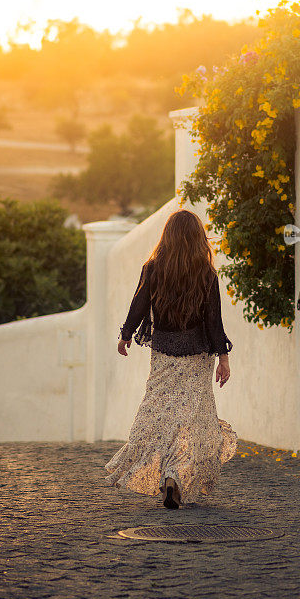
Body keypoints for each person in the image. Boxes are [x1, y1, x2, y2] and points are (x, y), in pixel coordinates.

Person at [104, 209, 238, 509]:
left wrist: (126, 335)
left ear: (168, 236)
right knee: (190, 418)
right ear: (196, 238)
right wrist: (223, 358)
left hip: (163, 353)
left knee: (159, 412)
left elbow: (138, 304)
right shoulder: (206, 273)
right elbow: (213, 320)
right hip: (196, 355)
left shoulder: (153, 268)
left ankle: (168, 474)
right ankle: (174, 475)